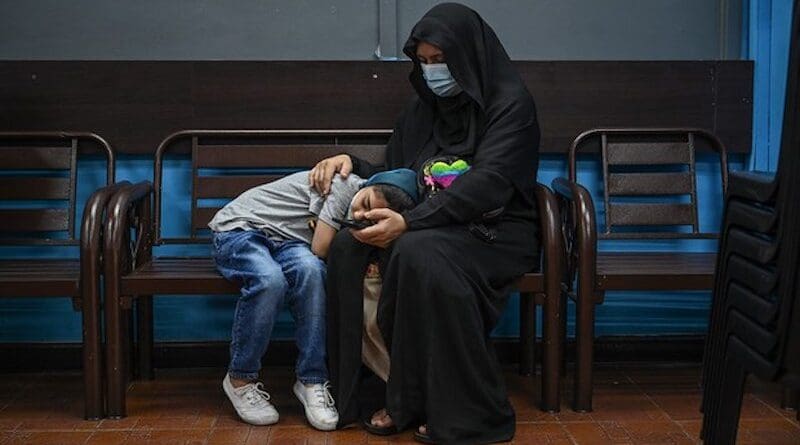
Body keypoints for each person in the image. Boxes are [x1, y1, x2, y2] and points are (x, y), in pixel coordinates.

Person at [311, 3, 541, 443]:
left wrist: (409, 222)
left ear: (469, 57)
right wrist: (354, 165)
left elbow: (488, 185)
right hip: (429, 223)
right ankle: (373, 391)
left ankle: (469, 413)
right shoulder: (424, 108)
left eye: (442, 61)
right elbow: (399, 168)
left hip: (496, 230)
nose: (433, 71)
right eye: (425, 61)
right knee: (347, 244)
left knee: (419, 254)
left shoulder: (511, 106)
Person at [207, 168, 419, 430]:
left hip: (289, 242)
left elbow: (317, 255)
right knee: (270, 281)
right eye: (365, 204)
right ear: (367, 186)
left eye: (371, 217)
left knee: (314, 272)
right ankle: (240, 378)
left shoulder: (364, 201)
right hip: (241, 230)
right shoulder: (345, 187)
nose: (360, 215)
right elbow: (320, 247)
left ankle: (311, 379)